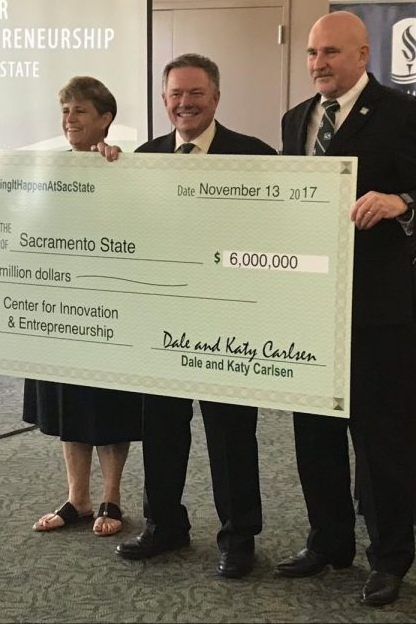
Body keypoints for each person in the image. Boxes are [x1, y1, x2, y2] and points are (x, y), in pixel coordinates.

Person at [274, 11, 416, 606]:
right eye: (311, 53)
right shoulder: (297, 119)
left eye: (330, 53)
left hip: (375, 307)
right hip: (309, 302)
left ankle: (389, 558)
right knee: (313, 430)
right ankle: (329, 543)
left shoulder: (404, 114)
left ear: (363, 54)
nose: (318, 63)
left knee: (379, 440)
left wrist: (400, 200)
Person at [106, 53, 276, 579]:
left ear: (216, 98)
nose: (185, 103)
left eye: (196, 94)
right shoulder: (143, 158)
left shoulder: (257, 155)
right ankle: (165, 525)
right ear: (164, 100)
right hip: (161, 319)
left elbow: (276, 232)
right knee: (161, 426)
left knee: (230, 432)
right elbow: (116, 223)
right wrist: (98, 172)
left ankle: (239, 534)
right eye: (175, 94)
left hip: (228, 318)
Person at [0, 76, 143, 537]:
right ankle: (77, 499)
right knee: (68, 402)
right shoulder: (42, 169)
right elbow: (16, 218)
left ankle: (111, 499)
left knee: (109, 403)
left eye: (80, 111)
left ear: (105, 119)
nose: (70, 120)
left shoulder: (129, 168)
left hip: (106, 307)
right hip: (54, 307)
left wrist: (117, 170)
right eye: (65, 111)